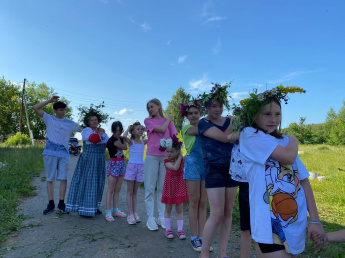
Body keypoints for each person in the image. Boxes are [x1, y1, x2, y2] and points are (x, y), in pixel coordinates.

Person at [231, 85, 325, 256]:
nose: (273, 119)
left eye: (277, 114)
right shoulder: (249, 135)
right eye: (267, 114)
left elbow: (303, 180)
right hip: (269, 224)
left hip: (294, 222)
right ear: (253, 115)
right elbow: (288, 157)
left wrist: (316, 220)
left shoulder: (284, 141)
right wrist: (294, 139)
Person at [197, 83, 239, 258]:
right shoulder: (202, 123)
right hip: (213, 170)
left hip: (232, 170)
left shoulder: (230, 121)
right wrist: (236, 124)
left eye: (220, 105)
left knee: (228, 212)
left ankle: (223, 253)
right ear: (206, 107)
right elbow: (224, 138)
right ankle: (204, 253)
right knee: (216, 214)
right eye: (213, 106)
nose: (218, 109)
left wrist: (235, 125)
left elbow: (234, 137)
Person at [33, 96, 81, 214]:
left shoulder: (70, 123)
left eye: (64, 110)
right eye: (60, 110)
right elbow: (36, 107)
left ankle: (61, 203)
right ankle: (50, 204)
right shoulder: (48, 118)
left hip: (64, 155)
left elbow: (84, 129)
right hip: (50, 153)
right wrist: (49, 101)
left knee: (63, 179)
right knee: (50, 179)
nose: (63, 112)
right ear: (55, 110)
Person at [65, 106, 109, 217]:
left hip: (99, 160)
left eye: (96, 120)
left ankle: (94, 206)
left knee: (98, 182)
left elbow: (108, 142)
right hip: (89, 160)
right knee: (87, 182)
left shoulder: (101, 131)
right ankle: (84, 208)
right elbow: (94, 139)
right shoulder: (86, 131)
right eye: (92, 120)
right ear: (88, 122)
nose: (94, 122)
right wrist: (101, 133)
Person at [144, 98, 177, 231]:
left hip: (165, 157)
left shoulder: (169, 121)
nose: (150, 109)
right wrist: (168, 119)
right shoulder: (148, 121)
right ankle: (150, 217)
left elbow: (174, 137)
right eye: (148, 108)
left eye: (152, 107)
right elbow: (161, 129)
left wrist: (176, 154)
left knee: (163, 188)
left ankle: (161, 216)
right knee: (150, 187)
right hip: (152, 156)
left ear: (158, 106)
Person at [180, 99, 207, 252]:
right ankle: (193, 237)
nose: (193, 115)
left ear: (200, 114)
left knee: (203, 202)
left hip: (206, 165)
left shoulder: (205, 126)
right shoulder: (186, 128)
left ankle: (203, 237)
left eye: (196, 113)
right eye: (190, 113)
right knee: (194, 202)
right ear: (187, 116)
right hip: (193, 165)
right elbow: (199, 131)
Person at [160, 135, 189, 239]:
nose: (169, 154)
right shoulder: (166, 161)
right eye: (167, 151)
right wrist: (181, 157)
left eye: (171, 151)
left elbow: (189, 155)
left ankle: (180, 230)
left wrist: (183, 156)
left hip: (179, 186)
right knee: (168, 209)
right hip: (170, 188)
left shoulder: (182, 159)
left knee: (179, 209)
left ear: (177, 151)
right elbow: (175, 168)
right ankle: (168, 229)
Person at [123, 122, 147, 225]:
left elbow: (152, 138)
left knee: (135, 192)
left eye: (141, 129)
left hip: (140, 166)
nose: (140, 130)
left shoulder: (143, 142)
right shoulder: (131, 142)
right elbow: (124, 136)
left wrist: (147, 130)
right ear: (133, 131)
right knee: (130, 191)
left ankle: (135, 212)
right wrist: (128, 129)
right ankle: (130, 214)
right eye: (138, 129)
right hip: (132, 166)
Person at [104, 121, 128, 222]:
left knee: (118, 189)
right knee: (111, 189)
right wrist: (126, 134)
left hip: (121, 164)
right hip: (113, 165)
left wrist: (124, 136)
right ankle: (108, 212)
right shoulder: (113, 140)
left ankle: (115, 210)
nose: (118, 132)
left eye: (120, 130)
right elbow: (125, 147)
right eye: (116, 130)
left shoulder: (120, 138)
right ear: (113, 130)